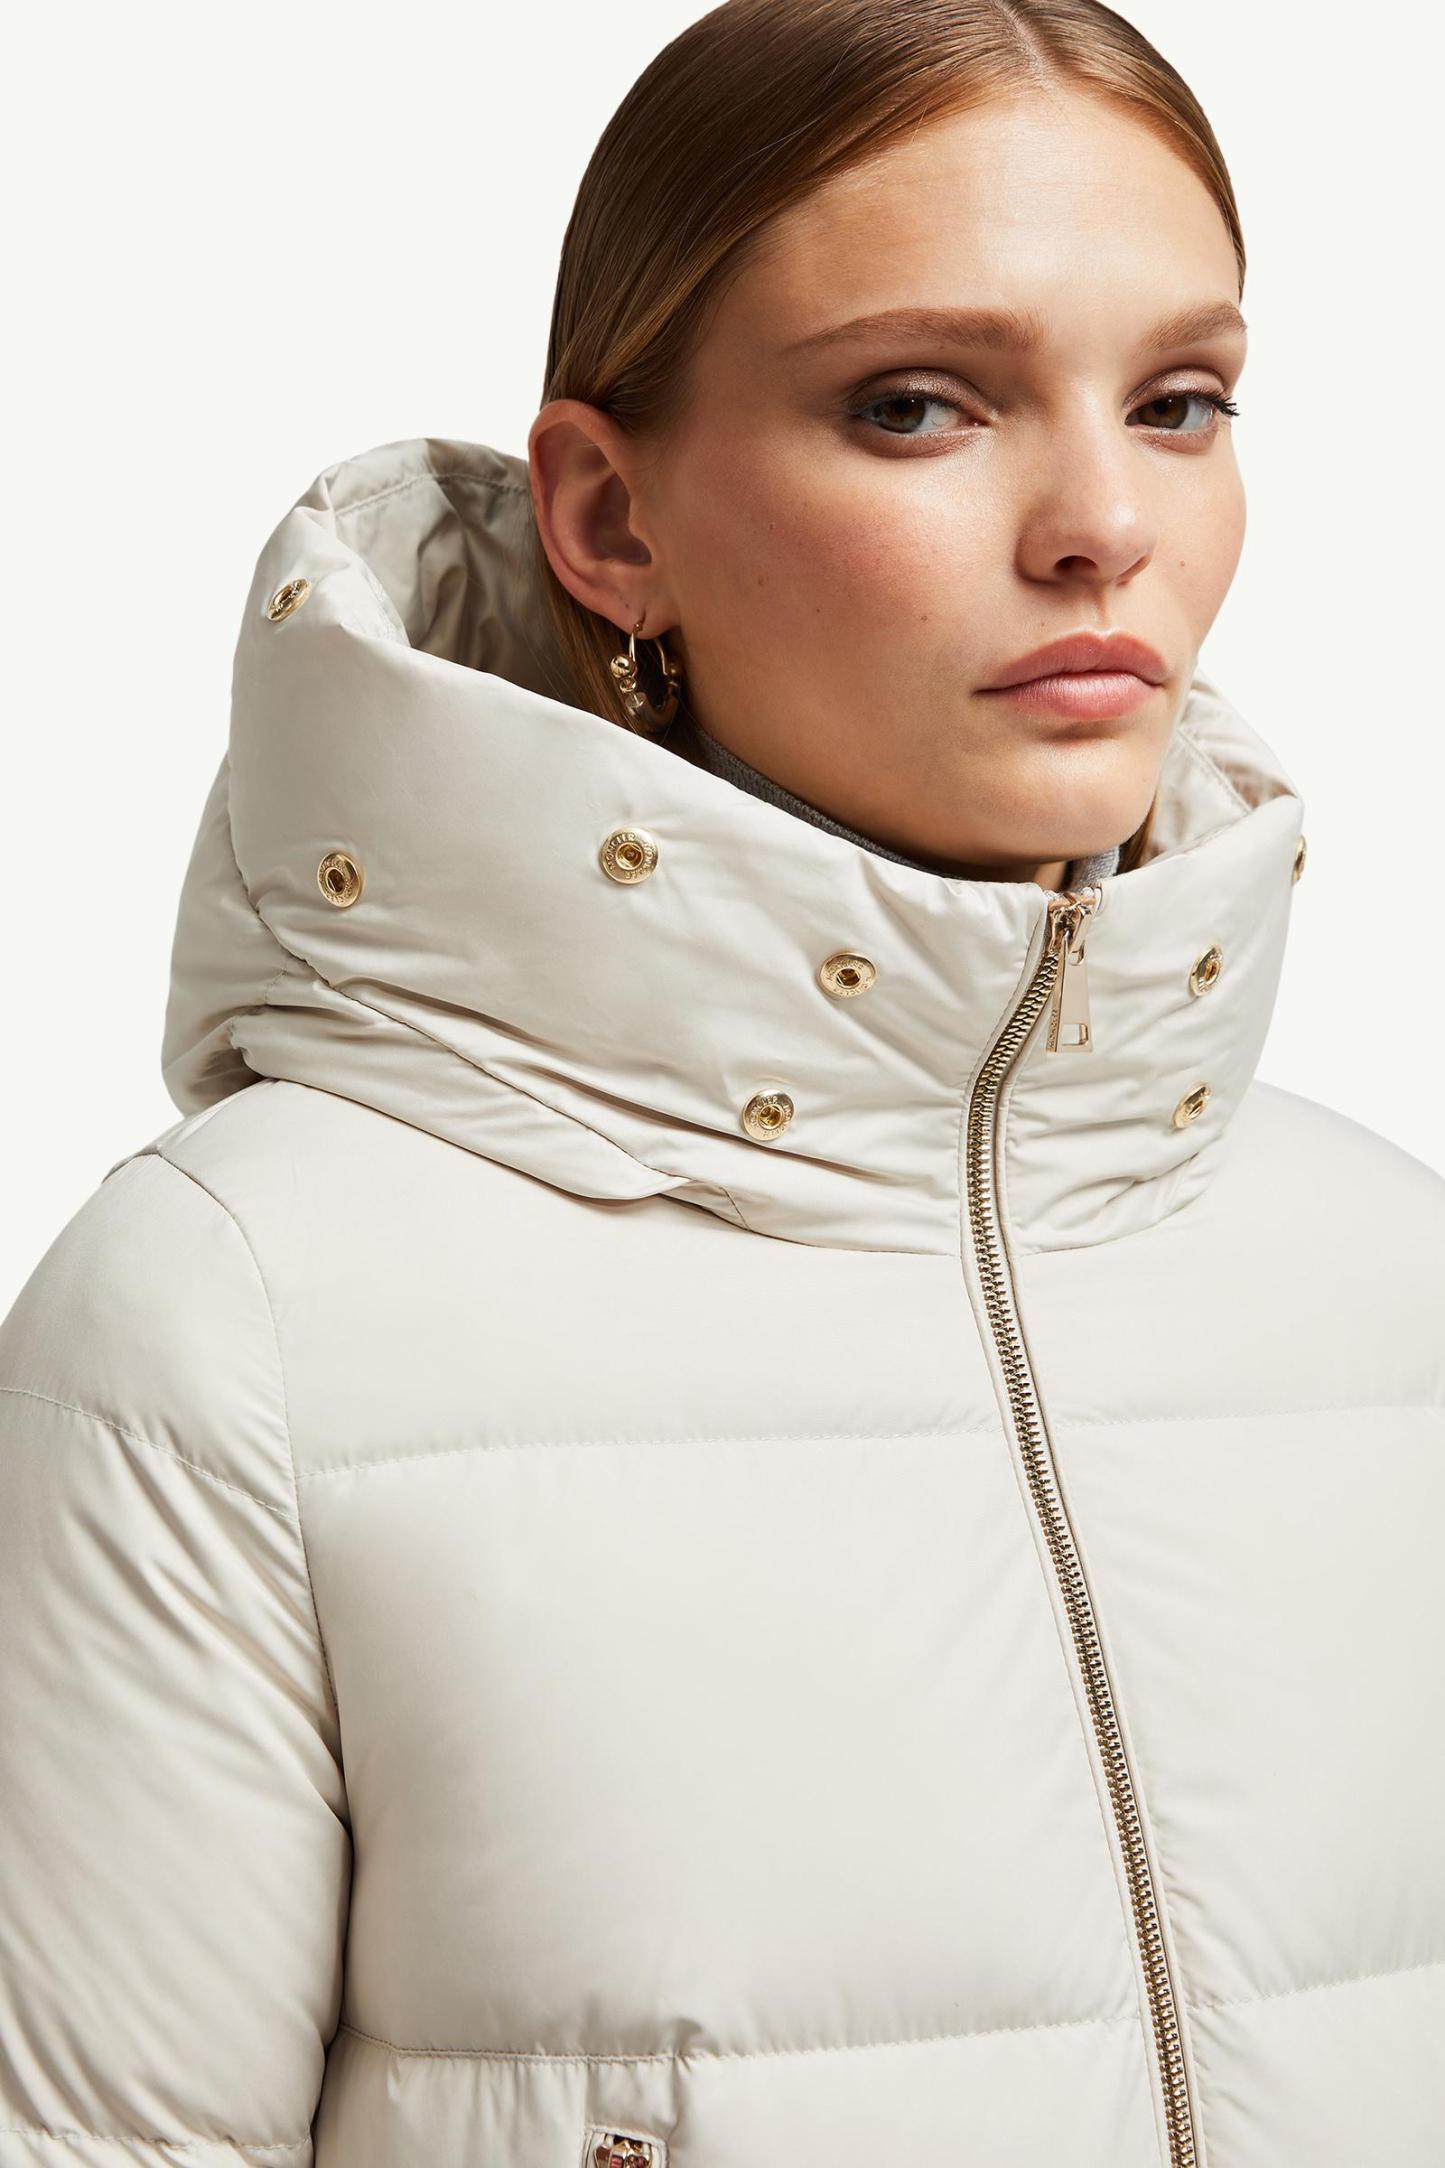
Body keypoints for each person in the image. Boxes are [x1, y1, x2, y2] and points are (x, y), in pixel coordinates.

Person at [1, 1, 1441, 2163]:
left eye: (1178, 404)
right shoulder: (239, 1323)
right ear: (608, 515)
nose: (1100, 525)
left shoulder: (1392, 1276)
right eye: (915, 404)